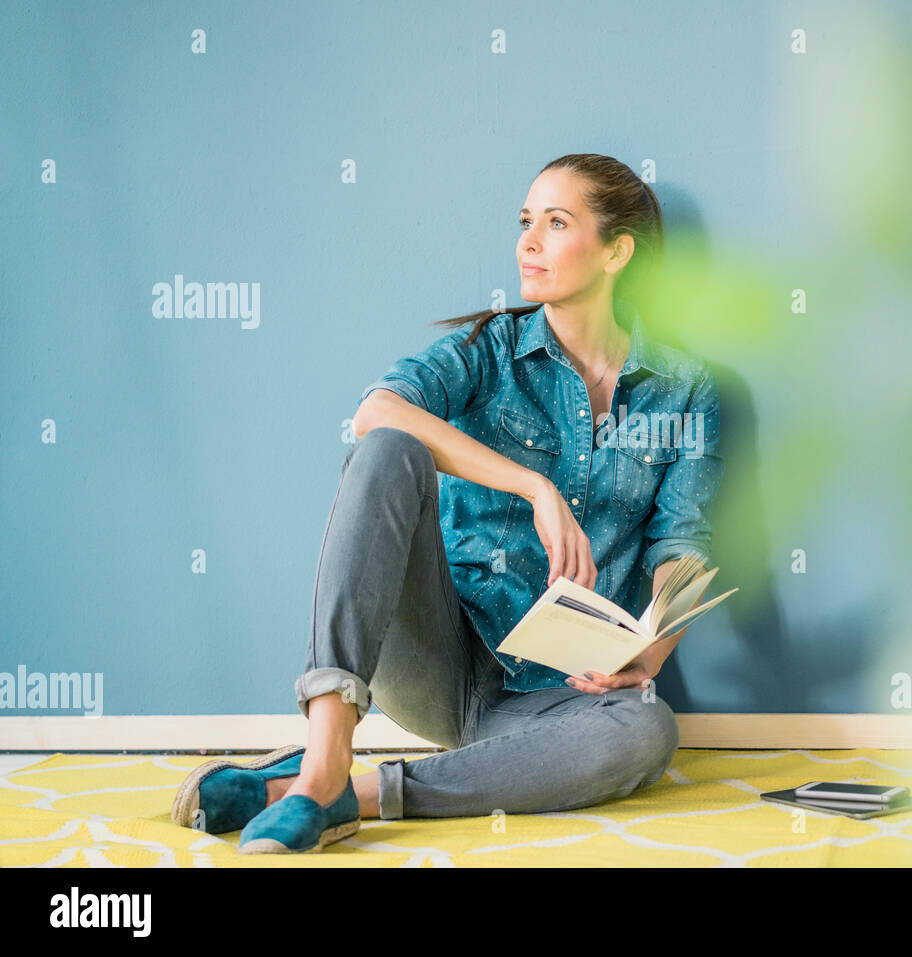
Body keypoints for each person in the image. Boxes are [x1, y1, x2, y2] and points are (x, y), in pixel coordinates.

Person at [169, 154, 726, 853]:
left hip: (559, 699)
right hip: (442, 658)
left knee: (648, 726)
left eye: (556, 223)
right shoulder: (488, 350)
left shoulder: (686, 390)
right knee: (388, 446)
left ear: (618, 251)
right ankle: (322, 761)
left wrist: (653, 646)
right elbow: (376, 410)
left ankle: (349, 791)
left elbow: (682, 545)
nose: (528, 241)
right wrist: (534, 486)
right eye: (526, 222)